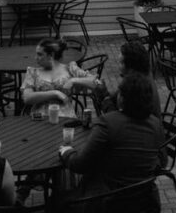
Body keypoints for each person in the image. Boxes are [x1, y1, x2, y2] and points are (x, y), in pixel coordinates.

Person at [58, 72, 165, 212]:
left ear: (124, 98)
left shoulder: (109, 122)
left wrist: (67, 152)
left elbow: (80, 165)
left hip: (109, 202)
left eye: (120, 93)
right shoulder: (156, 124)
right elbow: (162, 162)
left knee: (58, 200)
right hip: (145, 201)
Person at [21, 37, 100, 114]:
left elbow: (97, 83)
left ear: (50, 55)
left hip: (66, 118)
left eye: (40, 54)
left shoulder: (69, 69)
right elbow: (27, 98)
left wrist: (73, 80)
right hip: (39, 119)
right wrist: (55, 93)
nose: (36, 58)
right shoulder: (33, 72)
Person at [99, 41, 161, 117]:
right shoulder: (142, 76)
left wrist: (104, 98)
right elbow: (116, 96)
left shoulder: (138, 87)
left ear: (131, 67)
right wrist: (105, 94)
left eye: (121, 63)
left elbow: (121, 121)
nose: (119, 67)